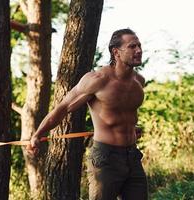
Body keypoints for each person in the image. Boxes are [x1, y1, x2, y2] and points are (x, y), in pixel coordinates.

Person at [28, 28, 148, 200]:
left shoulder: (138, 81)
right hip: (106, 158)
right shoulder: (97, 80)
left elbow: (123, 111)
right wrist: (38, 134)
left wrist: (130, 126)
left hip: (132, 155)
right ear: (116, 52)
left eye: (139, 45)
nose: (138, 50)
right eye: (132, 46)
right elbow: (62, 108)